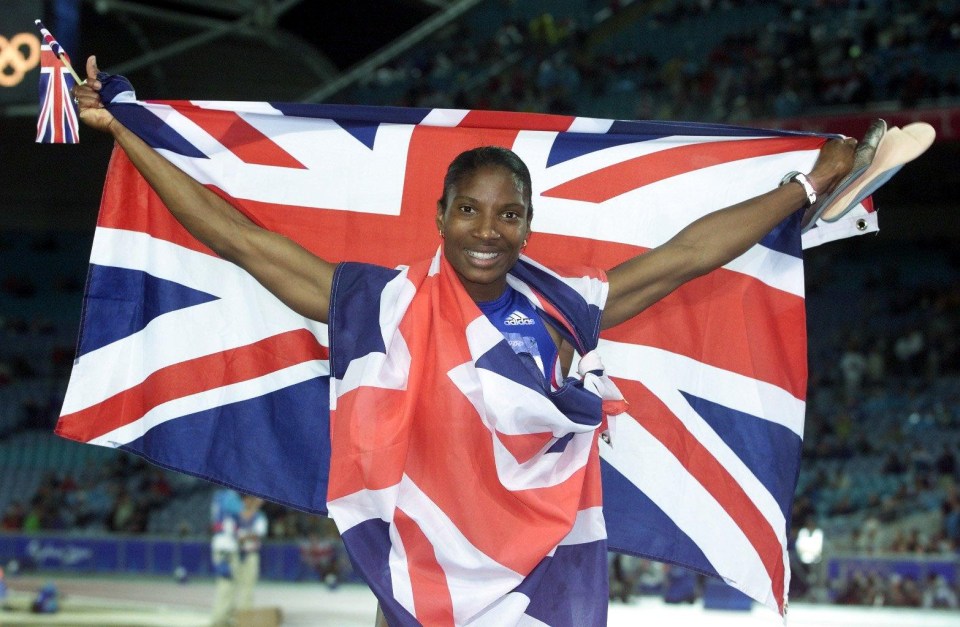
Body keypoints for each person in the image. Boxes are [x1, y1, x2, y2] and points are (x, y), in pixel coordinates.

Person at [73, 55, 857, 625]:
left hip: (537, 586)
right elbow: (235, 236)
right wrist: (127, 135)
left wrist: (807, 186)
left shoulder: (562, 303)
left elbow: (689, 254)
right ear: (441, 214)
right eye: (472, 211)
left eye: (507, 213)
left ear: (527, 224)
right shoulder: (379, 302)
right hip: (417, 584)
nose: (488, 229)